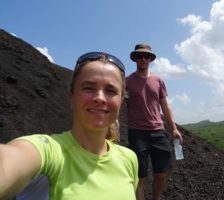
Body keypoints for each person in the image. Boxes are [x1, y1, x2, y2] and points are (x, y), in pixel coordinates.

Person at [0, 52, 138, 199]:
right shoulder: (49, 153)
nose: (100, 98)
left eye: (111, 90)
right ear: (71, 95)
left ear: (121, 100)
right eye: (88, 88)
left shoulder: (129, 159)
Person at [126, 43, 183, 200]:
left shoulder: (158, 81)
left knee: (161, 174)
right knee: (140, 177)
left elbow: (165, 105)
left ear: (150, 58)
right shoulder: (127, 81)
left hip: (158, 131)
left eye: (146, 56)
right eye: (139, 56)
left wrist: (174, 128)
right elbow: (118, 103)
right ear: (135, 59)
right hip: (137, 133)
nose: (143, 59)